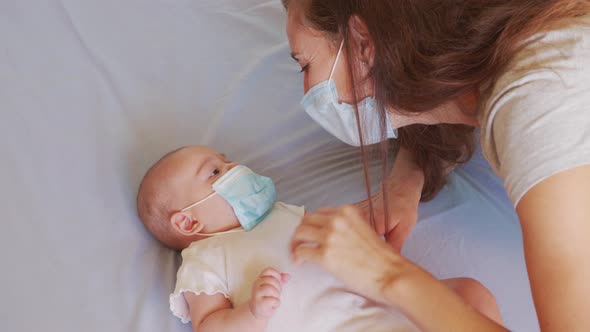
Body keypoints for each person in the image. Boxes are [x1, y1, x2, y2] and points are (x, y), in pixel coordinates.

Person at [283, 0, 590, 331]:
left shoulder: (541, 99)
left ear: (364, 43)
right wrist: (409, 177)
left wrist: (384, 273)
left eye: (304, 66)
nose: (306, 93)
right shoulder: (492, 49)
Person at [136, 145, 502, 331]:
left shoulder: (281, 214)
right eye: (215, 171)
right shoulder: (207, 257)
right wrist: (251, 313)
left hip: (388, 313)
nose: (235, 168)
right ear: (188, 222)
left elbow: (335, 244)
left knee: (471, 293)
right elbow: (211, 326)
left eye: (227, 160)